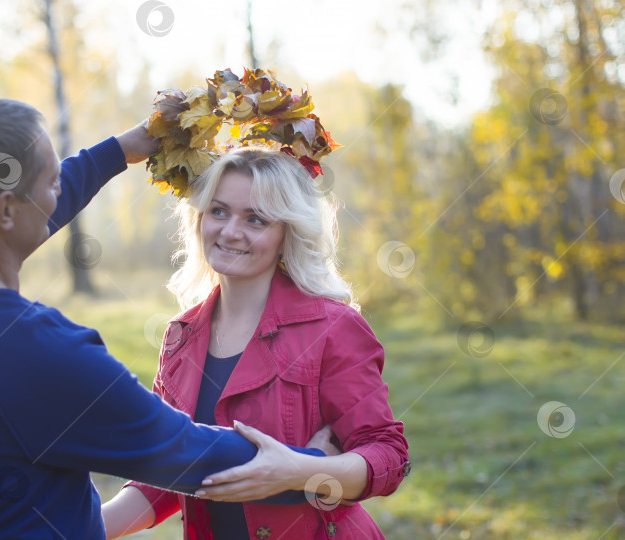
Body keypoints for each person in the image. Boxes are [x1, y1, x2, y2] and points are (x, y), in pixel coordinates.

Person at [0, 98, 333, 540]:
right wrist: (313, 467)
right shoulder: (40, 353)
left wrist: (120, 151)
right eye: (51, 183)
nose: (58, 193)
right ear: (7, 210)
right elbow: (182, 451)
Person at [101, 147, 411, 539]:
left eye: (255, 219)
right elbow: (165, 468)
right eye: (218, 211)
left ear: (286, 233)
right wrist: (79, 528)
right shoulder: (180, 336)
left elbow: (388, 456)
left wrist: (301, 470)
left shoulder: (332, 328)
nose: (230, 231)